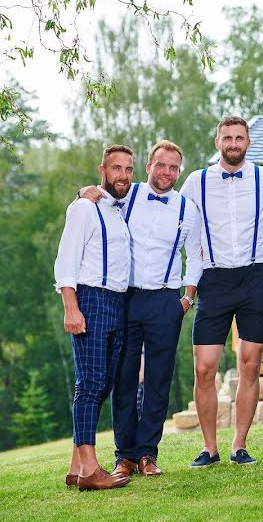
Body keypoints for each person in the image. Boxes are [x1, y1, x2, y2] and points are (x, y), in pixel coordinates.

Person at [79, 140, 201, 477]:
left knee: (159, 379)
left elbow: (197, 255)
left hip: (166, 301)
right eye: (161, 165)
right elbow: (91, 198)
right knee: (124, 376)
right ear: (149, 166)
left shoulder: (186, 208)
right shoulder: (125, 195)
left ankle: (149, 454)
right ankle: (125, 456)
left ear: (179, 171)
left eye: (174, 167)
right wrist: (82, 191)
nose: (167, 172)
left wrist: (187, 298)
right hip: (126, 298)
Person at [180, 116, 263, 467]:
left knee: (249, 364)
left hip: (255, 278)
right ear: (217, 142)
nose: (233, 143)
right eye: (227, 138)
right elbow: (176, 224)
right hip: (214, 280)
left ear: (248, 143)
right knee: (205, 367)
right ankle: (210, 448)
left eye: (240, 138)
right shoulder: (196, 182)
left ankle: (239, 445)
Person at [55, 145, 134, 491]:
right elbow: (66, 260)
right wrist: (71, 307)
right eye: (116, 168)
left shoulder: (119, 209)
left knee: (100, 385)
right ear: (102, 169)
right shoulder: (84, 208)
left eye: (129, 169)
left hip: (117, 302)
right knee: (89, 385)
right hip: (91, 298)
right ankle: (89, 469)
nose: (123, 175)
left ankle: (76, 466)